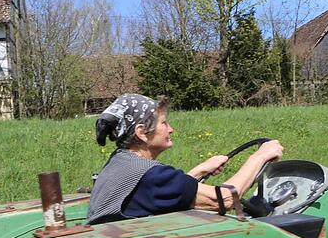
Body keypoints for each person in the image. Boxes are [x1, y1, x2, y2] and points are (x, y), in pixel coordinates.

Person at [86, 93, 284, 225]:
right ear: (142, 133)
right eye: (164, 123)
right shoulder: (151, 176)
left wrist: (200, 170)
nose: (170, 129)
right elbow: (223, 199)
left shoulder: (122, 162)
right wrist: (261, 155)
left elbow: (158, 194)